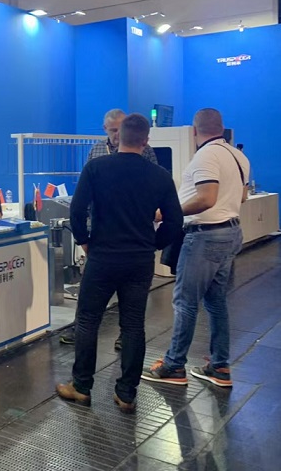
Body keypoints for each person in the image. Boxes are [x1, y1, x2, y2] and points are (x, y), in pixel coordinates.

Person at [56, 114, 183, 411]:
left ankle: (81, 386)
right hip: (139, 261)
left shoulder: (96, 168)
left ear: (119, 136)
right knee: (133, 325)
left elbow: (76, 211)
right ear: (146, 140)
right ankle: (126, 393)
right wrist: (153, 244)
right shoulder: (159, 175)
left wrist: (85, 242)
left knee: (88, 320)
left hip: (102, 256)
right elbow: (175, 221)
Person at [142, 108, 248, 389]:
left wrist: (167, 213)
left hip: (205, 237)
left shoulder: (206, 155)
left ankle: (174, 365)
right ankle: (219, 366)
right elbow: (242, 196)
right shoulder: (238, 156)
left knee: (185, 302)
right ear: (221, 128)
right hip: (230, 233)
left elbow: (206, 198)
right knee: (216, 302)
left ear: (194, 130)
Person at [61, 108, 162, 350]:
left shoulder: (146, 152)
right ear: (105, 129)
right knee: (90, 301)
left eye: (121, 129)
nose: (117, 134)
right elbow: (82, 200)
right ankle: (80, 329)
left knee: (132, 311)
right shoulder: (96, 152)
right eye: (113, 129)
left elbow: (153, 190)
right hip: (102, 235)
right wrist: (84, 239)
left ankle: (121, 337)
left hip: (133, 234)